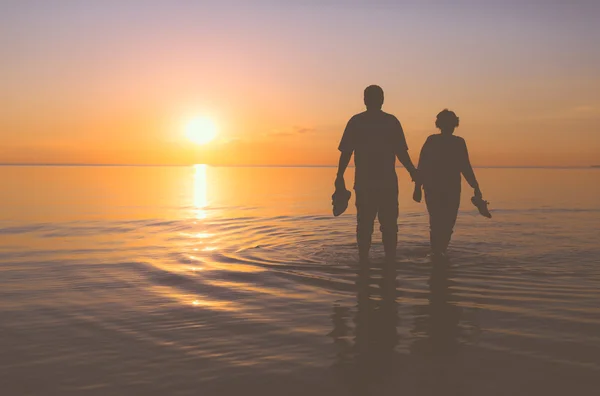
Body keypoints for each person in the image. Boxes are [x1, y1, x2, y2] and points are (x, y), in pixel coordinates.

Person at [335, 85, 418, 265]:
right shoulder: (390, 121)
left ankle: (363, 262)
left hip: (366, 183)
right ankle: (389, 262)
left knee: (364, 225)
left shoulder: (356, 122)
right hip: (385, 183)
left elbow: (346, 152)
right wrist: (412, 171)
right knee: (388, 226)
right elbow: (401, 152)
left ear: (365, 100)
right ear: (382, 100)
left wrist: (339, 176)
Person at [413, 109, 484, 256]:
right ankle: (439, 252)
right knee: (445, 223)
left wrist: (417, 187)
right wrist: (475, 186)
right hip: (442, 188)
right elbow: (423, 164)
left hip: (439, 187)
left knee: (439, 222)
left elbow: (464, 166)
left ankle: (438, 252)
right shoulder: (441, 141)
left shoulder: (442, 141)